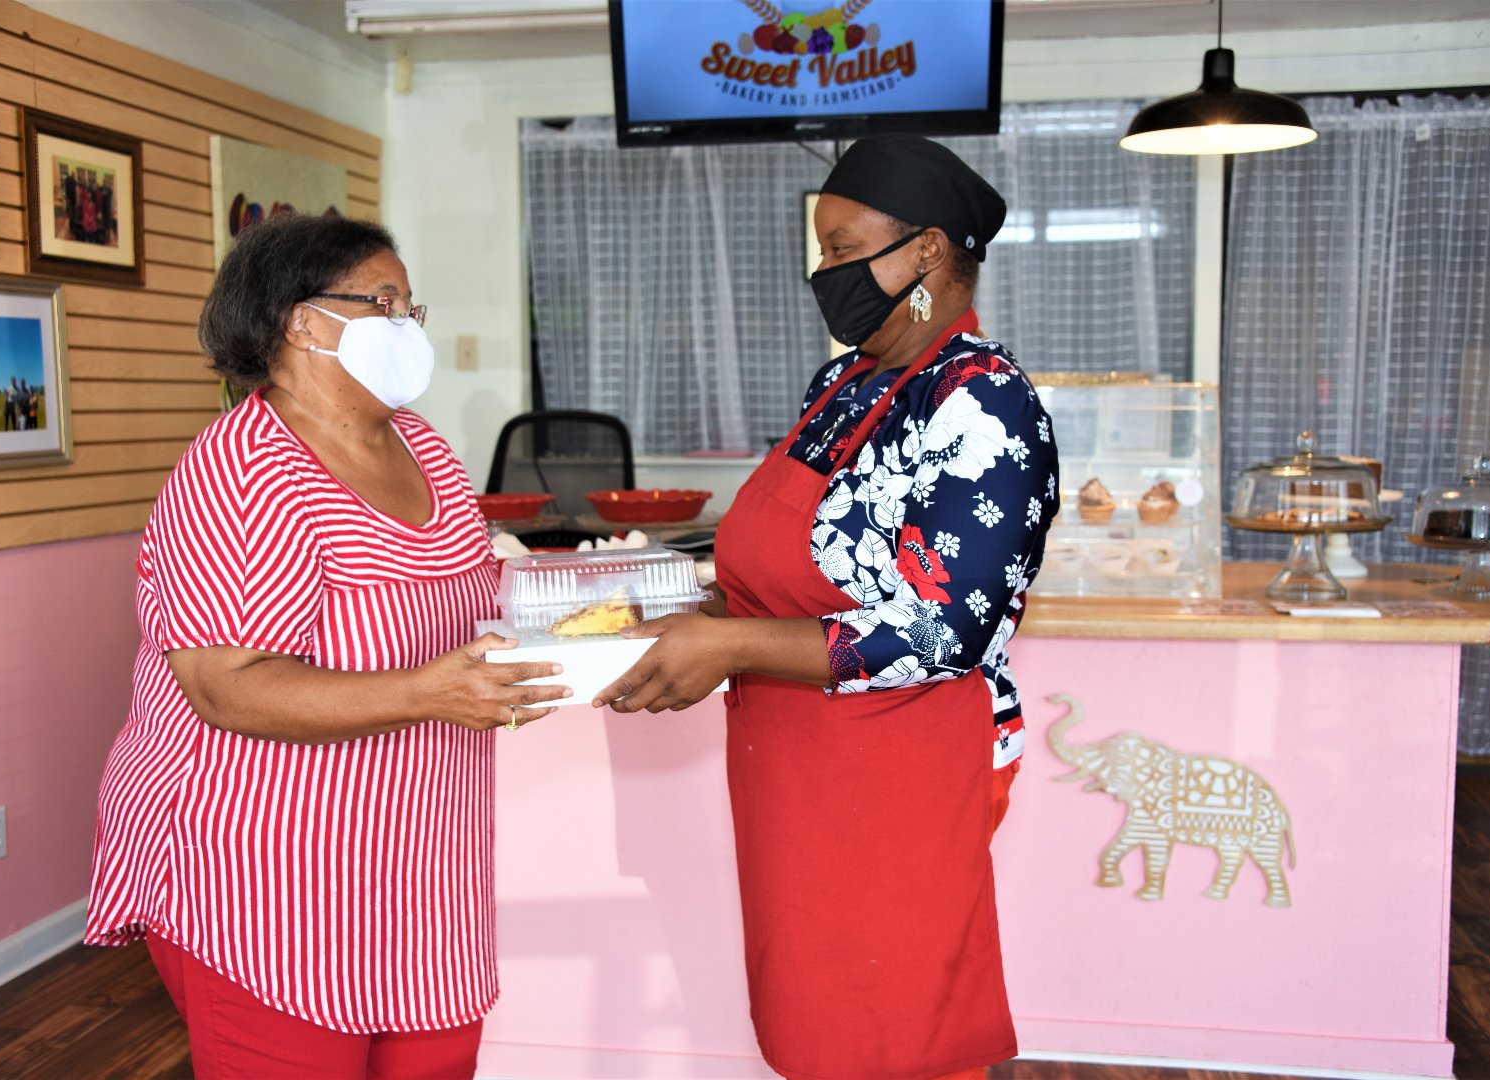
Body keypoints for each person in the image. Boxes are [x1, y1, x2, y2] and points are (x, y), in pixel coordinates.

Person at [595, 136, 1060, 1080]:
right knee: (813, 1010)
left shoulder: (983, 402)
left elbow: (947, 629)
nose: (826, 274)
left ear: (927, 252)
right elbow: (788, 564)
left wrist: (727, 644)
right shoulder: (843, 385)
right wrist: (687, 608)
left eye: (845, 251)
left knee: (890, 1017)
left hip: (896, 762)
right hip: (791, 757)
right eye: (824, 253)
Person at [85, 213, 571, 1079]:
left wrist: (590, 620)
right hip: (264, 881)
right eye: (385, 301)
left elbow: (470, 596)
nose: (407, 323)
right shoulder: (241, 470)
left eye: (410, 306)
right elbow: (227, 686)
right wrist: (427, 693)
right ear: (301, 321)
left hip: (421, 874)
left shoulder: (423, 447)